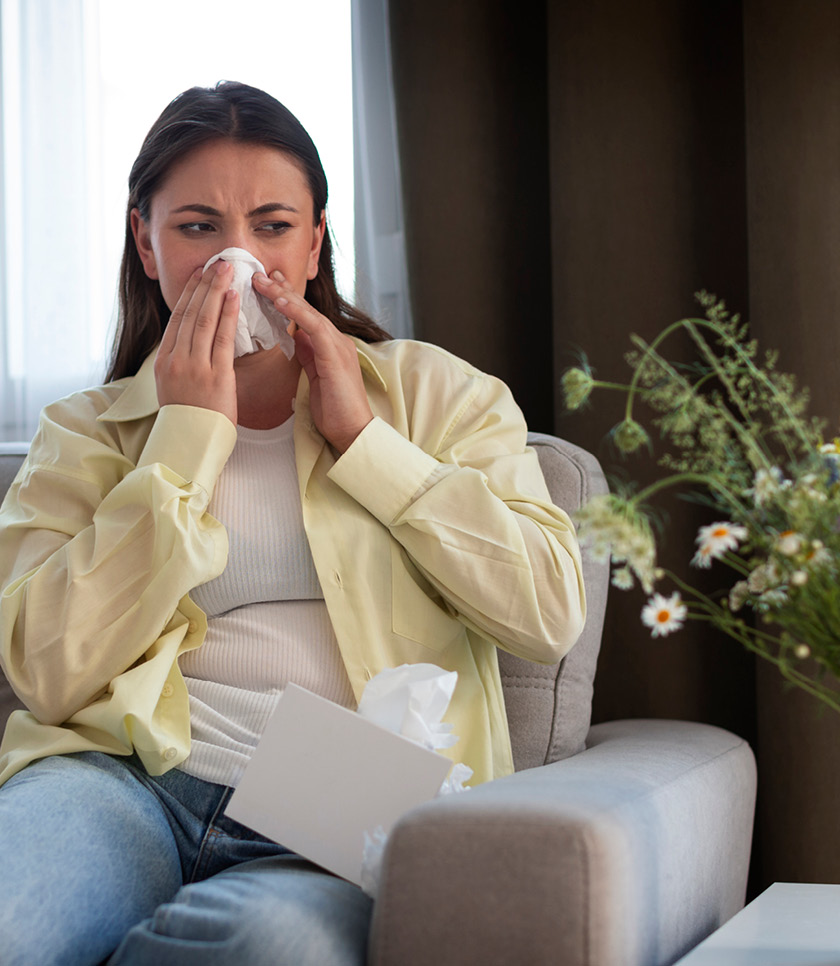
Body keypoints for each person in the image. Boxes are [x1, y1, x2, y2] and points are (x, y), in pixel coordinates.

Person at [0, 81, 585, 965]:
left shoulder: (435, 396)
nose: (236, 258)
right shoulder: (85, 432)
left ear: (314, 244)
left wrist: (365, 439)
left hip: (336, 806)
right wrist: (185, 439)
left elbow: (547, 615)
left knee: (266, 946)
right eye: (197, 227)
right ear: (145, 243)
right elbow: (46, 670)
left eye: (272, 226)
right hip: (120, 779)